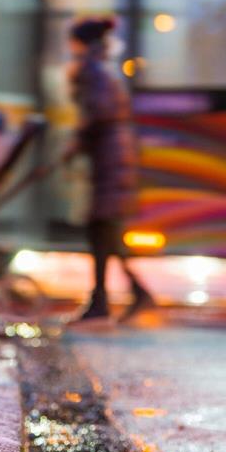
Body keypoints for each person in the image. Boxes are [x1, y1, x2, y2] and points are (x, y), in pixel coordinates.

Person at [66, 16, 155, 322]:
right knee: (106, 232)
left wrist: (75, 142)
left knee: (101, 230)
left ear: (80, 42)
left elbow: (98, 113)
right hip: (115, 155)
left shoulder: (91, 69)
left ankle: (102, 302)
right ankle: (128, 294)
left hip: (109, 158)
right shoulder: (102, 66)